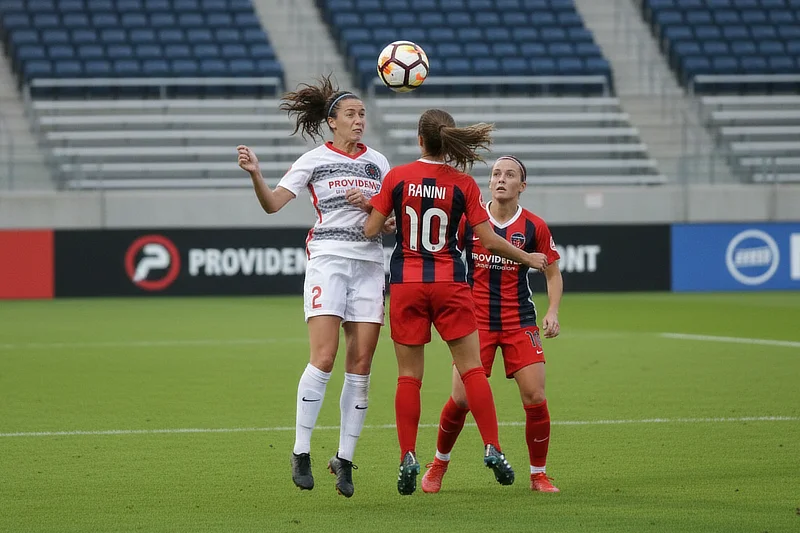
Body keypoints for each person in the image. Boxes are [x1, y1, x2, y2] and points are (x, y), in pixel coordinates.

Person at [363, 109, 550, 495]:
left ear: (419, 140)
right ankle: (492, 446)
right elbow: (490, 240)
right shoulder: (463, 184)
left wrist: (378, 212)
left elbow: (370, 230)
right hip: (450, 283)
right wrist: (528, 258)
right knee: (472, 371)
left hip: (407, 283)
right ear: (449, 141)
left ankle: (408, 455)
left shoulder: (397, 177)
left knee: (408, 376)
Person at [237, 74, 391, 498]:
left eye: (362, 114)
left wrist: (374, 209)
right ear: (331, 121)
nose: (359, 120)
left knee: (361, 367)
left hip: (370, 265)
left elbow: (390, 222)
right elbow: (273, 204)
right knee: (324, 357)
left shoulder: (379, 163)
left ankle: (344, 459)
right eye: (351, 114)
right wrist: (256, 174)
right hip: (328, 262)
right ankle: (301, 450)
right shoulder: (313, 160)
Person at [420, 155, 564, 494]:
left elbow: (552, 273)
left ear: (522, 186)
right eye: (496, 173)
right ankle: (438, 465)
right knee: (460, 399)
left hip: (519, 320)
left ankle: (539, 475)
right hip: (474, 323)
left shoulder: (534, 226)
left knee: (535, 396)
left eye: (509, 174)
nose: (501, 179)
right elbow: (439, 250)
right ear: (489, 182)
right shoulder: (470, 221)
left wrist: (553, 311)